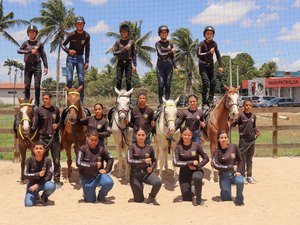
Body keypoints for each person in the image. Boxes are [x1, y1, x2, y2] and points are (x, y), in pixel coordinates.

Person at [31, 92, 61, 188]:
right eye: (43, 98)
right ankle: (43, 179)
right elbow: (35, 124)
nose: (44, 100)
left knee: (56, 160)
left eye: (46, 98)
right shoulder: (39, 110)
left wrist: (58, 125)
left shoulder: (55, 109)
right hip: (43, 138)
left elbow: (60, 121)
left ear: (50, 99)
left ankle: (56, 180)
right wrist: (30, 131)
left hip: (54, 138)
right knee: (43, 160)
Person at [173, 127, 209, 206]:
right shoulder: (178, 148)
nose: (187, 137)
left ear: (192, 135)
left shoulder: (197, 145)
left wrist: (198, 166)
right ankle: (193, 192)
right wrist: (190, 163)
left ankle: (199, 199)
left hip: (196, 171)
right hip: (184, 174)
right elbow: (175, 162)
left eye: (189, 135)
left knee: (197, 177)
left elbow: (206, 158)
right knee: (187, 199)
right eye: (185, 135)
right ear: (181, 135)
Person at [76, 129, 114, 203]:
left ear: (98, 140)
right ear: (88, 139)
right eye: (91, 140)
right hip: (87, 178)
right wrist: (95, 164)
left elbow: (111, 158)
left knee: (109, 182)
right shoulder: (82, 149)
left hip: (98, 175)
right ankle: (87, 192)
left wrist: (106, 169)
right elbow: (78, 163)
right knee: (90, 200)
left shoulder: (101, 149)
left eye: (95, 140)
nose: (93, 142)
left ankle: (101, 196)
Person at [127, 127, 161, 205]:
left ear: (146, 136)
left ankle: (151, 197)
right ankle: (139, 185)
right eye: (139, 135)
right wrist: (143, 161)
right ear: (136, 135)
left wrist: (151, 168)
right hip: (135, 174)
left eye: (143, 135)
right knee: (139, 200)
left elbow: (154, 161)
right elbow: (129, 161)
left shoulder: (150, 148)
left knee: (157, 182)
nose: (141, 137)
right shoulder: (131, 147)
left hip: (146, 173)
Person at [231, 99, 261, 184]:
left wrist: (257, 131)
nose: (248, 107)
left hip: (251, 140)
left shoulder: (253, 116)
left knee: (249, 158)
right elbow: (234, 124)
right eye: (246, 105)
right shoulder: (241, 116)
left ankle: (249, 176)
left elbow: (254, 127)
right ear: (243, 106)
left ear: (251, 106)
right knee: (242, 158)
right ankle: (242, 176)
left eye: (250, 105)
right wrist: (231, 122)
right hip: (243, 139)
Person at [17, 25, 48, 107]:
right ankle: (27, 101)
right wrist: (29, 51)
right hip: (28, 66)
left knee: (37, 85)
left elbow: (43, 55)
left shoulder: (39, 44)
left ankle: (37, 103)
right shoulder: (25, 43)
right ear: (28, 33)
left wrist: (46, 66)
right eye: (30, 32)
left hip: (37, 65)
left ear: (36, 33)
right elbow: (19, 50)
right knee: (27, 85)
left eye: (33, 32)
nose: (31, 33)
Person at [62, 16, 90, 103]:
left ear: (83, 25)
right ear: (75, 25)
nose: (79, 25)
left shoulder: (86, 36)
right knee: (69, 78)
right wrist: (68, 51)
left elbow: (87, 49)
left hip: (80, 58)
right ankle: (69, 99)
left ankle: (81, 100)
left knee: (81, 79)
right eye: (77, 24)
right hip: (70, 58)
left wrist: (87, 61)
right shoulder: (71, 34)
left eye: (81, 24)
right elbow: (63, 45)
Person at [213, 131, 244, 206]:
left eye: (225, 137)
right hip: (224, 175)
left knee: (240, 181)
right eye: (221, 138)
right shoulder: (217, 151)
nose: (224, 139)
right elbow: (216, 165)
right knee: (226, 199)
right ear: (218, 140)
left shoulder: (234, 146)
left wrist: (239, 171)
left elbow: (241, 160)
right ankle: (224, 191)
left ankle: (239, 199)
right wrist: (229, 167)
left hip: (235, 173)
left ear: (227, 138)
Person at [197, 25, 223, 109]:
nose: (209, 35)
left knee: (213, 82)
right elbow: (198, 54)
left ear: (213, 35)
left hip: (211, 66)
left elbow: (218, 54)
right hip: (203, 65)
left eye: (211, 34)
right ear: (204, 34)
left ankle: (210, 101)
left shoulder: (214, 43)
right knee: (205, 82)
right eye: (207, 33)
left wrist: (220, 65)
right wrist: (209, 52)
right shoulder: (201, 44)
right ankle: (204, 102)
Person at [23, 141, 56, 207]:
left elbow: (49, 176)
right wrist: (37, 174)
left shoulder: (48, 160)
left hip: (43, 183)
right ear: (33, 150)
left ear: (44, 150)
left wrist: (37, 185)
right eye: (36, 148)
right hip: (32, 185)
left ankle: (44, 197)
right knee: (28, 204)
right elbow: (25, 174)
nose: (38, 150)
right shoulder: (29, 160)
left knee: (51, 186)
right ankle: (36, 196)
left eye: (40, 148)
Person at [155, 25, 178, 107]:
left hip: (169, 65)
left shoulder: (170, 43)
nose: (164, 34)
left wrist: (175, 67)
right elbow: (160, 54)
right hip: (160, 66)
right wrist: (170, 51)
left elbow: (172, 56)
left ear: (167, 33)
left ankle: (167, 101)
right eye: (162, 32)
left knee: (168, 84)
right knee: (161, 83)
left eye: (165, 32)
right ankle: (161, 102)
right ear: (159, 34)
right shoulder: (157, 44)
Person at [113, 23, 136, 91]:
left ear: (128, 32)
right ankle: (118, 100)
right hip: (120, 63)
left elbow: (134, 54)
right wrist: (124, 49)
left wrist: (135, 65)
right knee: (118, 80)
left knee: (128, 81)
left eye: (125, 31)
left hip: (128, 63)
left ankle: (129, 99)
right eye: (122, 31)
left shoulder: (131, 42)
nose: (124, 33)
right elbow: (114, 53)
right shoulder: (117, 42)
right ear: (120, 32)